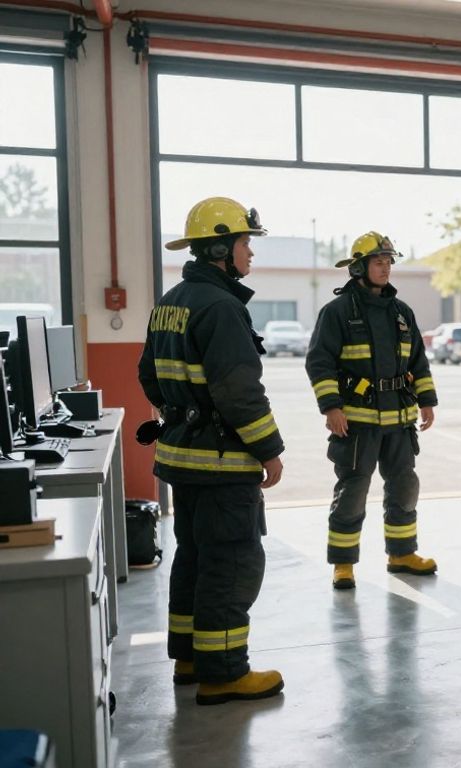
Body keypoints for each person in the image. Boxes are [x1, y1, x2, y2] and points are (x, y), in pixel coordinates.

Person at [137, 196, 286, 706]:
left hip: (182, 459)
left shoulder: (172, 300)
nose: (250, 253)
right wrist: (269, 450)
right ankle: (224, 673)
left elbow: (146, 376)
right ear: (222, 247)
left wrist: (180, 412)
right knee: (232, 563)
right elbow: (239, 391)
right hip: (224, 464)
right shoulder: (221, 307)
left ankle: (189, 658)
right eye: (246, 242)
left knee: (194, 558)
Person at [306, 232, 439, 590]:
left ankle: (401, 554)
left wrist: (427, 401)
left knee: (404, 487)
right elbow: (320, 363)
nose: (385, 268)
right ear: (359, 268)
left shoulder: (401, 313)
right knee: (352, 492)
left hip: (399, 422)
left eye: (389, 262)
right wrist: (331, 407)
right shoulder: (337, 312)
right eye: (378, 262)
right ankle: (343, 563)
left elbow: (419, 362)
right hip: (356, 424)